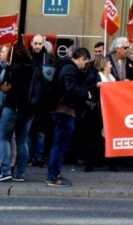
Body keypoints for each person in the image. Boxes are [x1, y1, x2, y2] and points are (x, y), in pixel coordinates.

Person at [47, 48, 92, 187]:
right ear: (81, 59)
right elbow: (69, 87)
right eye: (86, 62)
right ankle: (53, 176)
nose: (85, 66)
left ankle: (54, 174)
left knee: (59, 144)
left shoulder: (66, 67)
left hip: (62, 110)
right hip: (63, 111)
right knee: (60, 144)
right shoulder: (70, 69)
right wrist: (85, 94)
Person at [0, 44, 35, 182]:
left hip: (13, 106)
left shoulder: (12, 69)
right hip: (29, 109)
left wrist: (0, 83)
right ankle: (20, 173)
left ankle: (5, 170)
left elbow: (5, 88)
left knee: (4, 138)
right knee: (22, 141)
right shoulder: (32, 68)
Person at [28, 34, 57, 167]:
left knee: (40, 131)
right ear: (31, 44)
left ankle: (39, 157)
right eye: (36, 43)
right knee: (28, 130)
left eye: (40, 44)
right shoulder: (28, 58)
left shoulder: (48, 59)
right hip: (29, 99)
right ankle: (28, 156)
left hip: (43, 101)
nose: (38, 46)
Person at [84, 56, 115, 172]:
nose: (111, 66)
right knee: (94, 135)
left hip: (110, 110)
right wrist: (96, 86)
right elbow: (85, 87)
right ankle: (89, 163)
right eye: (109, 64)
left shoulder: (112, 77)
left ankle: (110, 162)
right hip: (97, 111)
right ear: (104, 65)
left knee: (109, 136)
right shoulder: (95, 76)